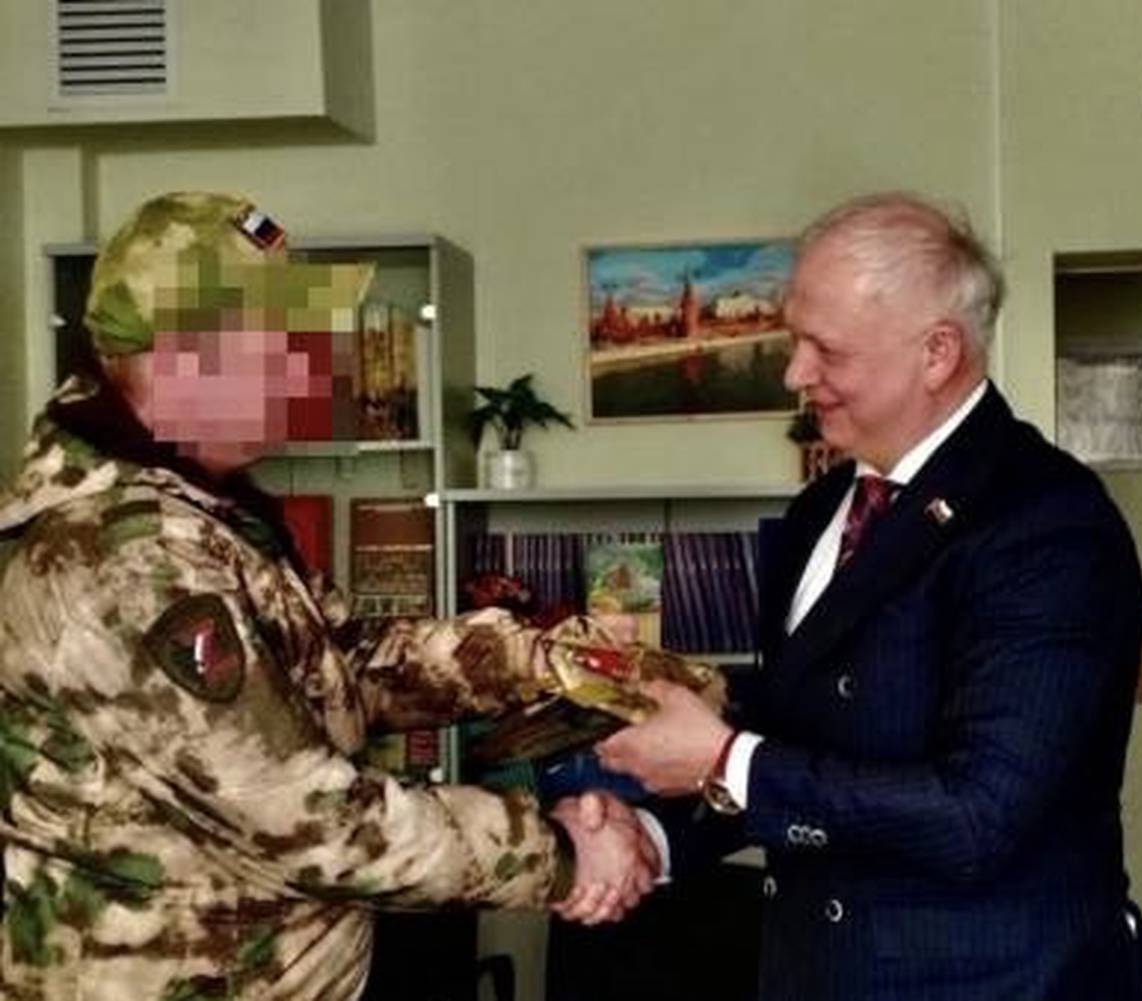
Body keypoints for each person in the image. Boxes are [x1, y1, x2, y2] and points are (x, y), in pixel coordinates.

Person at [0, 192, 719, 1000]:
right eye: (281, 343)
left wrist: (538, 661)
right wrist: (558, 854)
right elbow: (298, 812)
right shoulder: (129, 559)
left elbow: (345, 664)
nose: (310, 370)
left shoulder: (199, 510)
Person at [594, 192, 1142, 1000]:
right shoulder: (818, 511)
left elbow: (979, 815)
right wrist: (649, 836)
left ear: (937, 352)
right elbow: (797, 735)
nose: (794, 373)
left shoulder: (1049, 523)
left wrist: (722, 759)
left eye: (826, 349)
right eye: (794, 339)